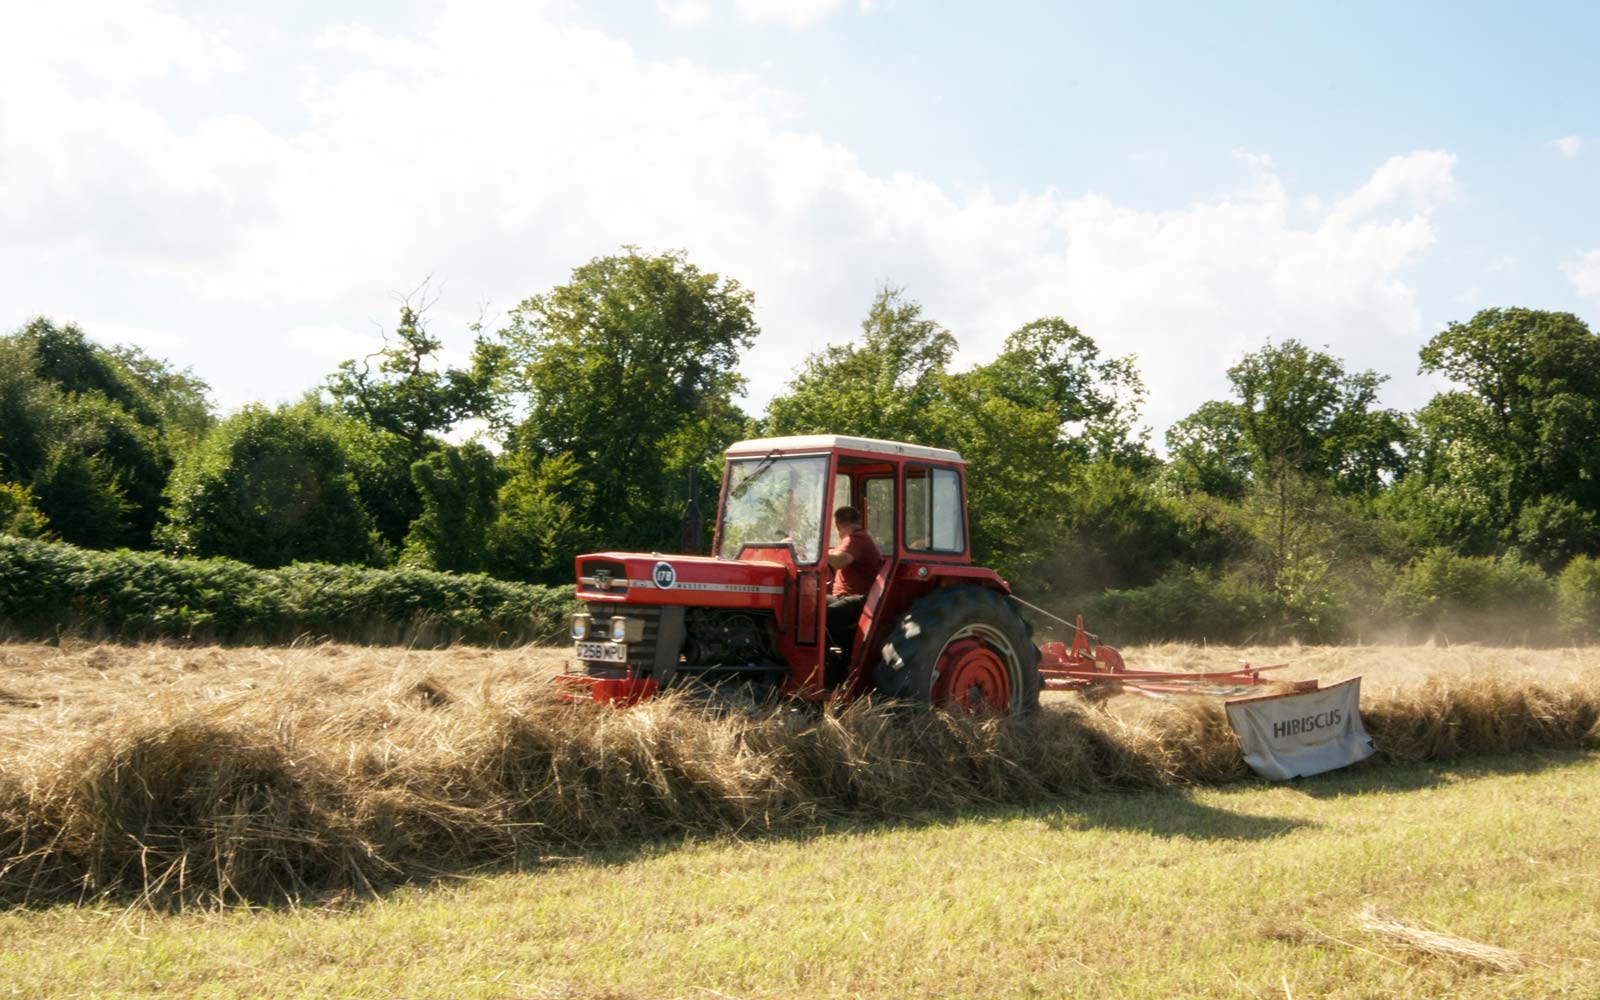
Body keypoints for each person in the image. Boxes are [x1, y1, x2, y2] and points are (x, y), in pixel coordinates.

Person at [824, 505, 882, 685]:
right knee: (808, 606)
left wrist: (813, 553)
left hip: (861, 600)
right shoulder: (851, 541)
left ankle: (827, 669)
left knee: (824, 617)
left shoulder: (856, 539)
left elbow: (840, 560)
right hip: (843, 597)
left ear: (837, 524)